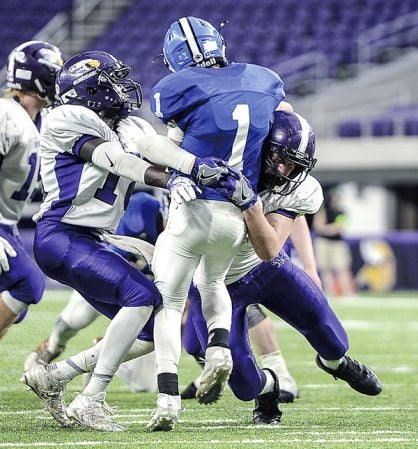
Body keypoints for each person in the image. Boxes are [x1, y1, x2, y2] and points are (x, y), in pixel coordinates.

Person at [21, 50, 228, 432]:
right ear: (90, 90)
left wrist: (195, 166)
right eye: (110, 81)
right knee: (143, 297)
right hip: (61, 234)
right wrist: (170, 179)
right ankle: (91, 398)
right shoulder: (67, 118)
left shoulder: (130, 125)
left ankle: (55, 375)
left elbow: (162, 153)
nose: (121, 88)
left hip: (92, 239)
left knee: (150, 327)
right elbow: (113, 160)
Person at [184, 109, 380, 424]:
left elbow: (269, 248)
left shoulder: (299, 187)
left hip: (267, 268)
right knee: (243, 384)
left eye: (296, 165)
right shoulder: (220, 168)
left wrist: (249, 205)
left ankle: (334, 364)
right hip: (215, 283)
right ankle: (270, 387)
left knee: (333, 338)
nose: (287, 170)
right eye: (281, 159)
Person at [139, 16, 286, 432]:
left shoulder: (175, 90)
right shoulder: (265, 79)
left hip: (194, 208)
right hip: (239, 216)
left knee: (166, 303)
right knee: (213, 283)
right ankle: (219, 348)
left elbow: (171, 144)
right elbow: (286, 118)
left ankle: (167, 397)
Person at [0, 40, 63, 341]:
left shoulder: (42, 121)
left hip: (8, 223)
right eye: (54, 76)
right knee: (28, 284)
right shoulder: (6, 115)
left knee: (17, 305)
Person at [312, 188, 356, 296]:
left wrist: (326, 229)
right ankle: (330, 293)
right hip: (323, 242)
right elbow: (317, 226)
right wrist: (329, 229)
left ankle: (347, 292)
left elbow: (338, 227)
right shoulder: (323, 211)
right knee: (325, 268)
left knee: (342, 267)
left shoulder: (341, 212)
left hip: (337, 243)